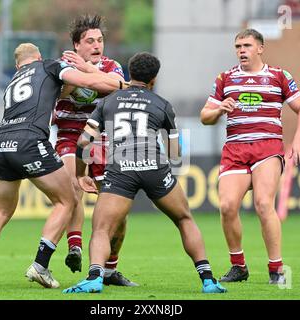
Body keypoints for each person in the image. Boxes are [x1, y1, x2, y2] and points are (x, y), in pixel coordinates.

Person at [0, 43, 124, 289]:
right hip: (29, 141)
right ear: (38, 57)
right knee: (67, 200)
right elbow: (88, 83)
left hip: (2, 145)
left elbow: (55, 92)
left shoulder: (13, 81)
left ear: (18, 64)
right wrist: (123, 85)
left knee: (1, 211)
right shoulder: (49, 65)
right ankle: (40, 265)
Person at [62, 52, 227, 294]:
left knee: (101, 229)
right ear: (154, 80)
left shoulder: (109, 102)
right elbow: (174, 153)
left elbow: (83, 142)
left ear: (130, 74)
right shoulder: (162, 104)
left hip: (120, 170)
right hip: (155, 168)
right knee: (184, 219)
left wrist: (81, 174)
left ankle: (95, 277)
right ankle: (208, 280)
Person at [200, 29, 300, 284]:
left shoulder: (278, 76)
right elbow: (204, 116)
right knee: (227, 206)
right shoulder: (225, 78)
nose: (242, 50)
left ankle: (276, 269)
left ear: (260, 48)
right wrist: (218, 109)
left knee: (263, 204)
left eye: (247, 45)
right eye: (238, 46)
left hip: (267, 148)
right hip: (235, 149)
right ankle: (238, 266)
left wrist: (299, 138)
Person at [54, 14, 136, 286]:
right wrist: (80, 75)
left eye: (100, 40)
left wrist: (88, 71)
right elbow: (63, 92)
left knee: (117, 210)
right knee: (72, 187)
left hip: (103, 141)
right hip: (69, 134)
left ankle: (110, 270)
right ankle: (75, 246)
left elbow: (114, 87)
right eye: (90, 41)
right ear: (77, 44)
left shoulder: (112, 66)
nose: (96, 45)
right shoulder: (63, 65)